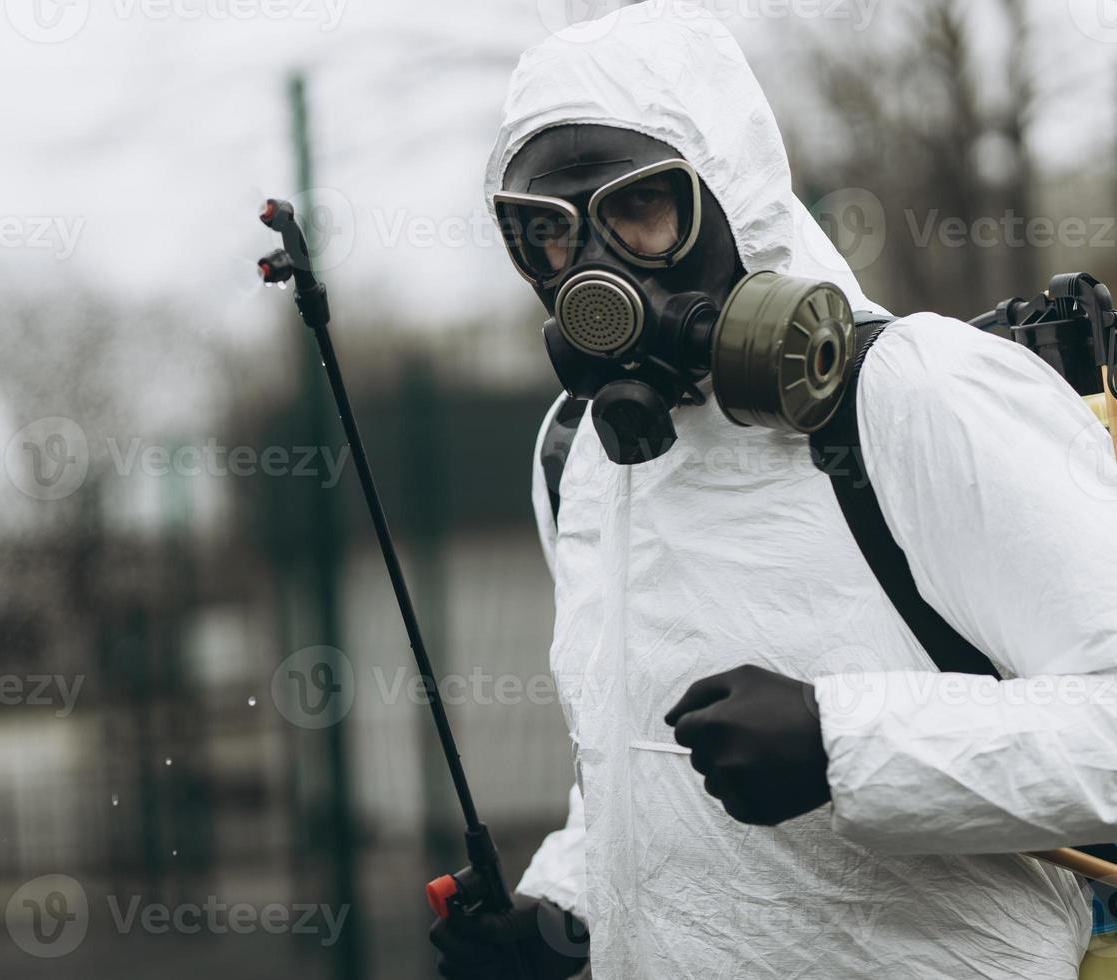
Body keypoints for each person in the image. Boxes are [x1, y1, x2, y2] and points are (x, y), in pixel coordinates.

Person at [430, 4, 1117, 979]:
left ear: (733, 194)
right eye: (546, 231)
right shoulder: (581, 453)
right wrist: (565, 905)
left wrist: (846, 743)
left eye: (638, 208)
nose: (589, 270)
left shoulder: (912, 393)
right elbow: (638, 759)